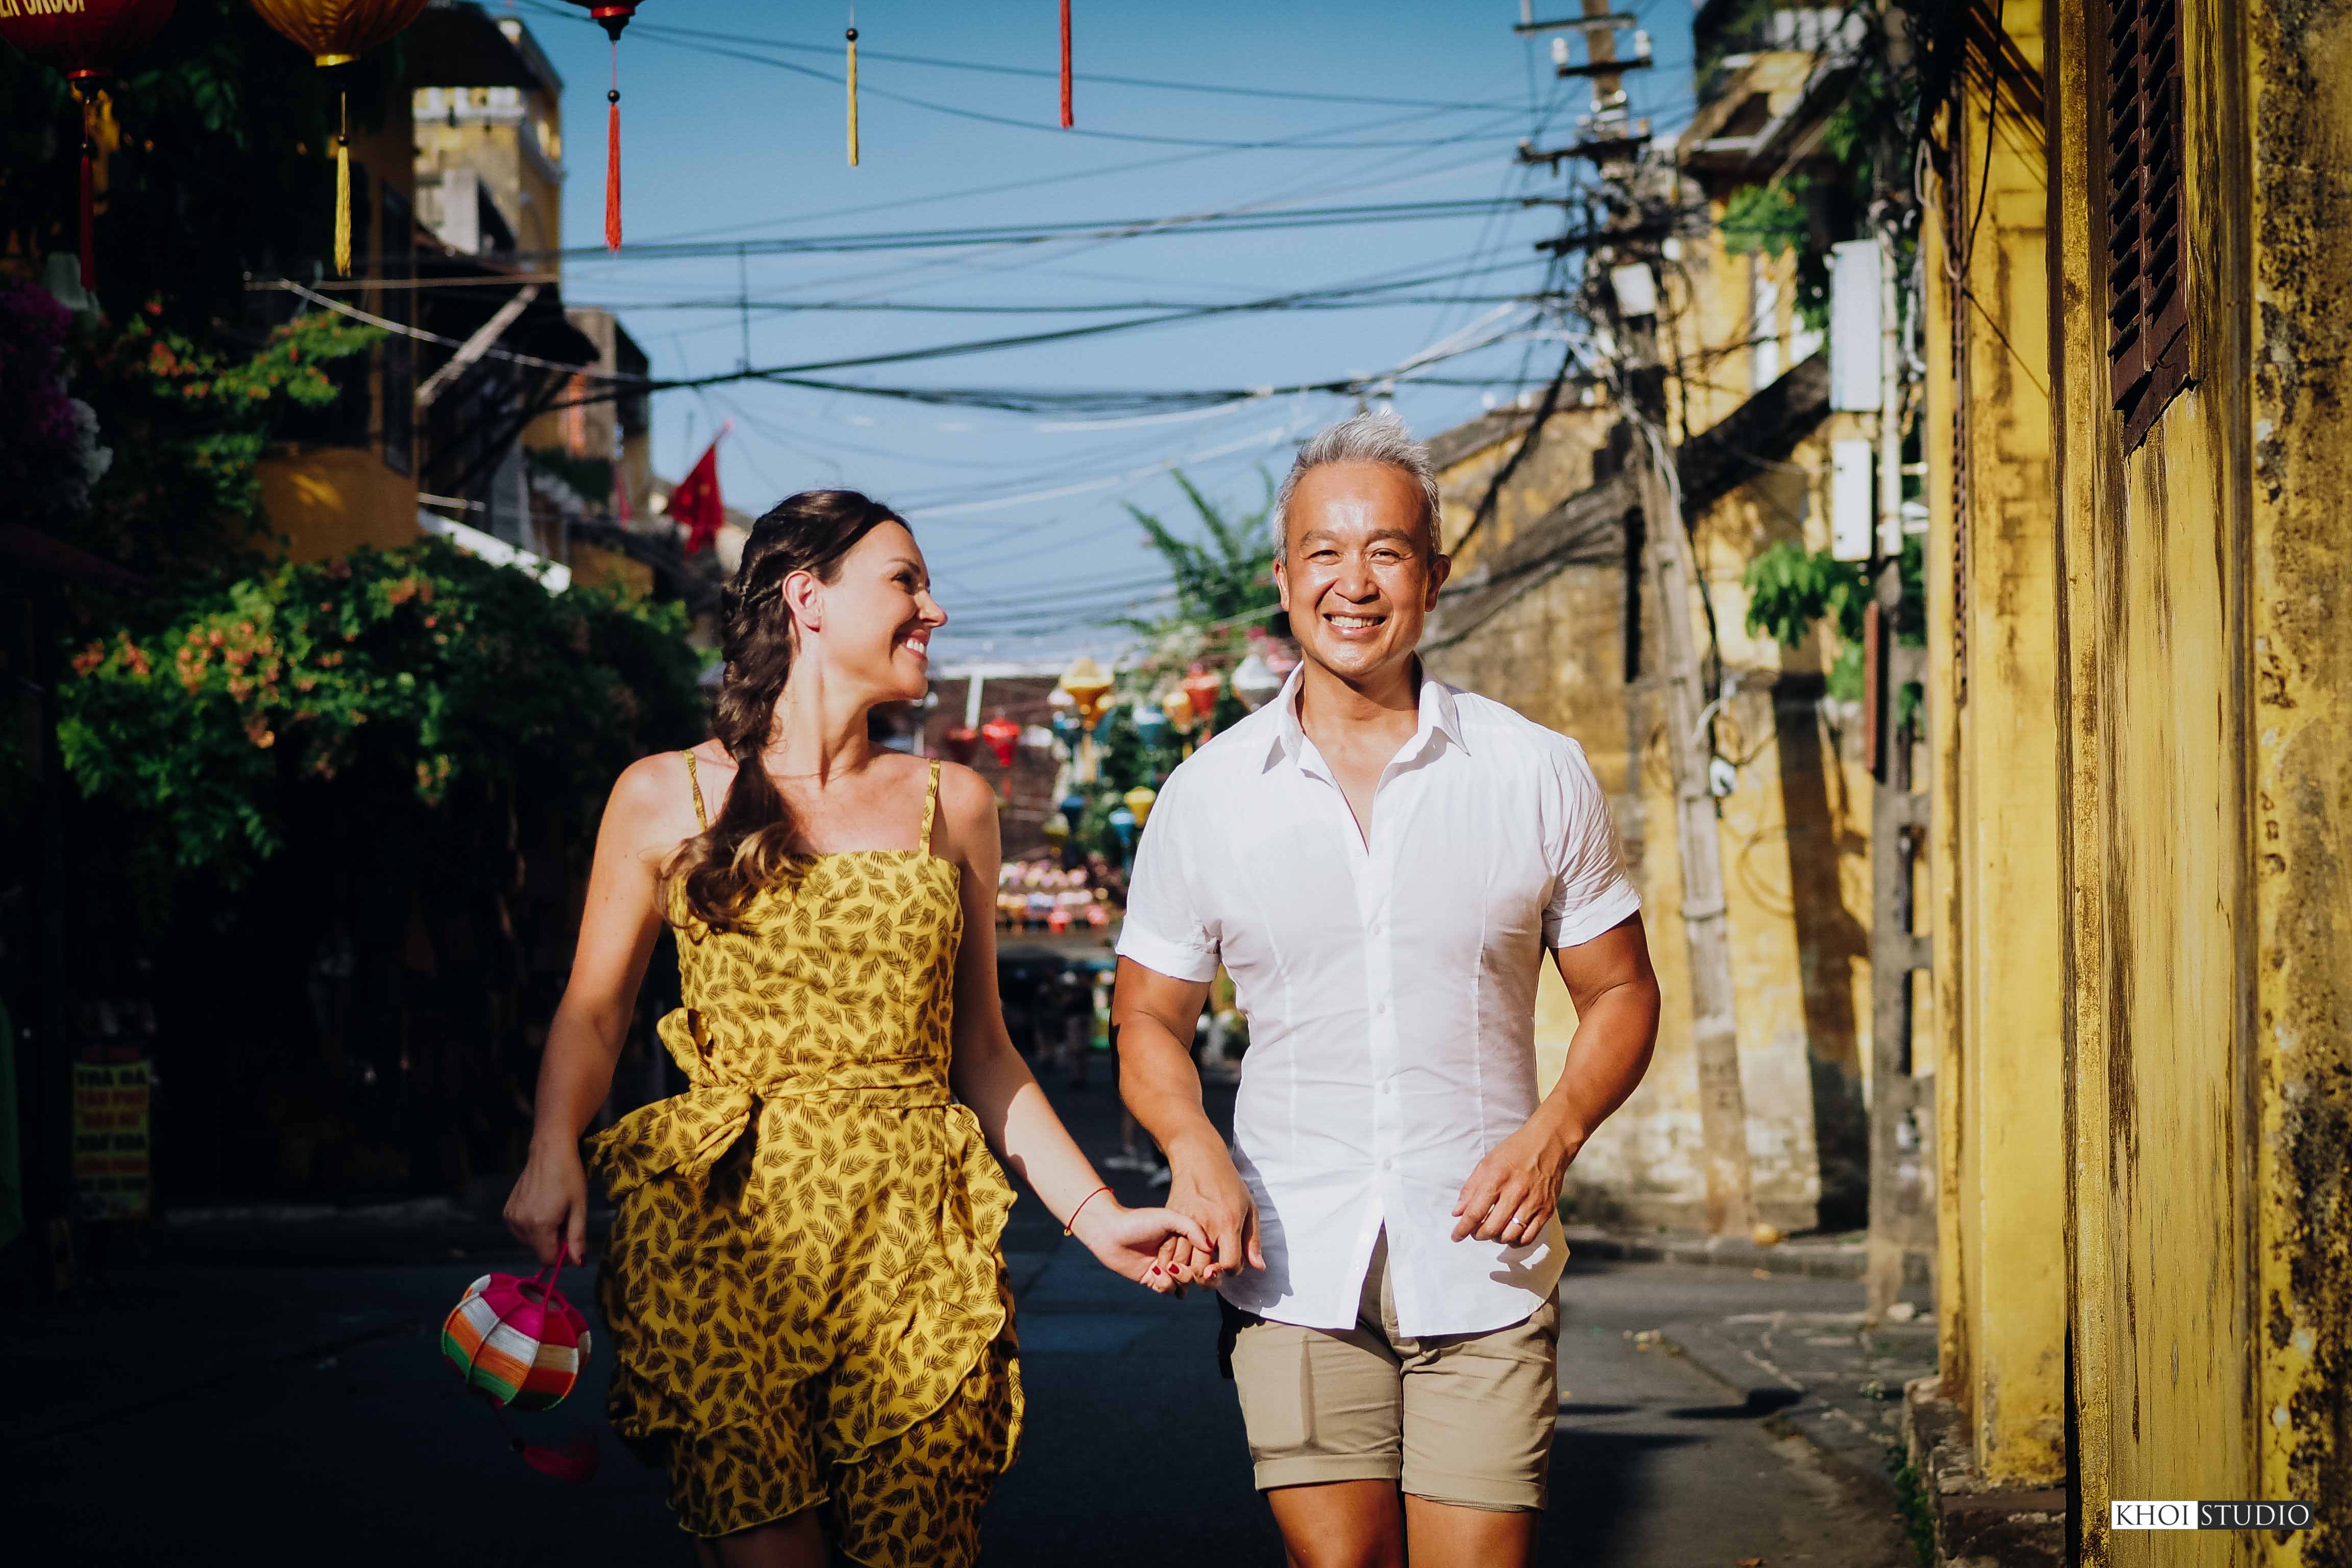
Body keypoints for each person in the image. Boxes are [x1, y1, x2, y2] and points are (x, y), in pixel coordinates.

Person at [504, 489, 1203, 1568]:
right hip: (721, 1234)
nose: (936, 609)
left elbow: (985, 1055)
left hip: (915, 1242)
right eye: (907, 581)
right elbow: (595, 1011)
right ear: (807, 598)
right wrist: (554, 1150)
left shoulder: (954, 804)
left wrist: (1099, 1216)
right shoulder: (661, 796)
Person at [1114, 411, 1663, 1568]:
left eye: (1386, 552)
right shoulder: (1208, 796)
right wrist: (1192, 1146)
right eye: (1324, 551)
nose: (1352, 582)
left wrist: (1556, 1133)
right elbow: (1150, 1016)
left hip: (1486, 1264)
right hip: (1291, 1264)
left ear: (1434, 574)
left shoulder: (1532, 770)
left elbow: (1620, 991)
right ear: (1282, 577)